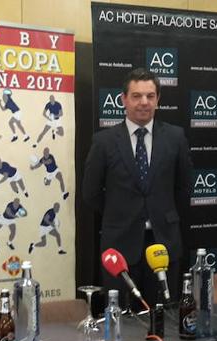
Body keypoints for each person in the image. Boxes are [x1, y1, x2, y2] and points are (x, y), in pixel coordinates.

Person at [82, 68, 192, 310]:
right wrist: (120, 214)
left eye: (150, 96)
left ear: (158, 99)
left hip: (164, 245)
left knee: (165, 320)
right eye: (137, 96)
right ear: (123, 99)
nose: (144, 102)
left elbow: (184, 189)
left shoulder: (175, 137)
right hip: (119, 247)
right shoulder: (104, 142)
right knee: (122, 322)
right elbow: (90, 193)